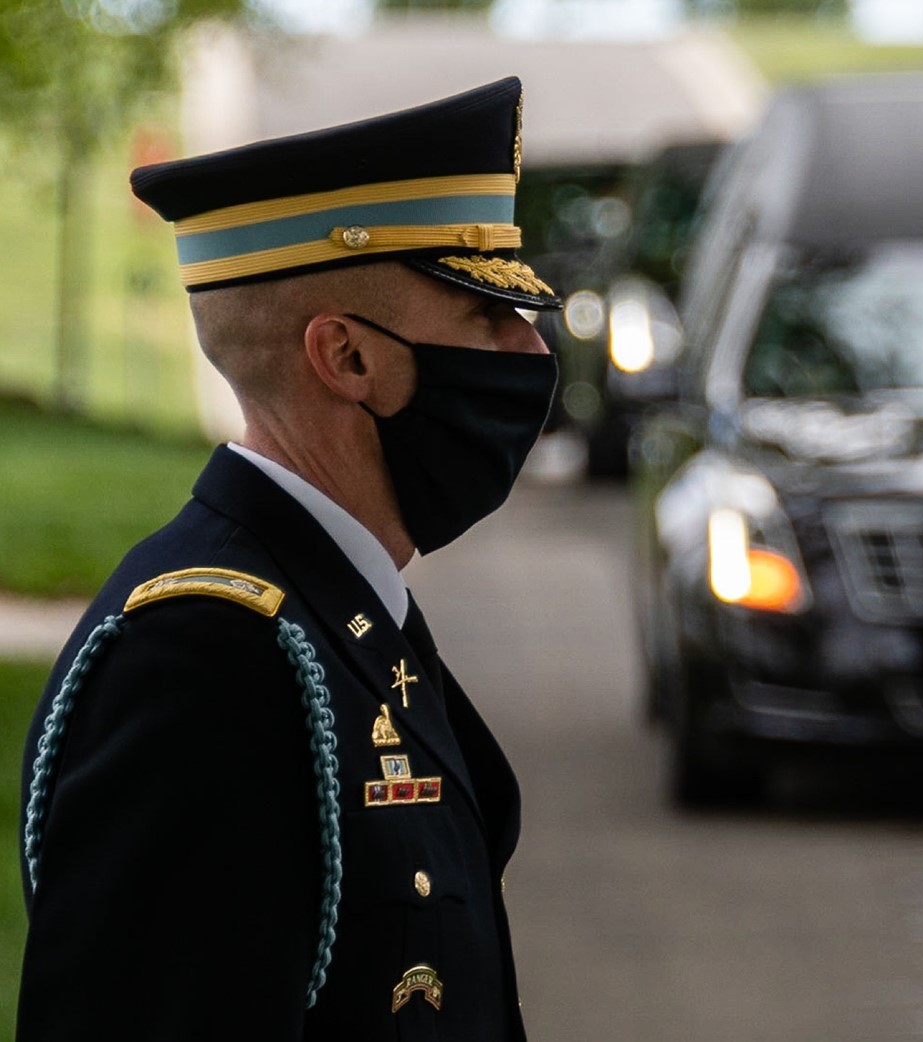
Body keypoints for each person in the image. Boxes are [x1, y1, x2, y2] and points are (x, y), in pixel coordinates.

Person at [16, 76, 560, 1039]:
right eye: (486, 318)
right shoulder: (203, 654)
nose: (527, 349)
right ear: (347, 357)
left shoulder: (340, 608)